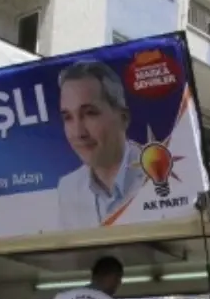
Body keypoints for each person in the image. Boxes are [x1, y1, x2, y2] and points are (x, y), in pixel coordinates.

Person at [55, 60, 145, 229]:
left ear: (123, 118)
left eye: (90, 113)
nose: (78, 133)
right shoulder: (68, 188)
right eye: (68, 117)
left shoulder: (157, 174)